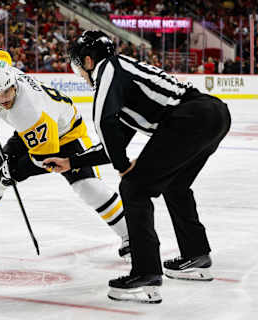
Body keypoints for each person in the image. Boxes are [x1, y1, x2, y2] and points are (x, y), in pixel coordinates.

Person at [43, 31, 231, 303]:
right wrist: (72, 162)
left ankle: (146, 272)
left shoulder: (109, 67)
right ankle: (196, 255)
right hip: (213, 114)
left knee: (133, 188)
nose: (80, 74)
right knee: (176, 186)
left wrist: (122, 166)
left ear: (87, 60)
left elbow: (103, 122)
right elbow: (115, 137)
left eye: (78, 65)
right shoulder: (127, 79)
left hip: (190, 118)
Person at [0, 49, 130, 259]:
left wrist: (14, 172)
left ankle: (131, 236)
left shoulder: (30, 112)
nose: (3, 98)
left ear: (14, 85)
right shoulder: (0, 73)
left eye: (7, 91)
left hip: (68, 136)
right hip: (31, 133)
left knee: (88, 187)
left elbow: (46, 159)